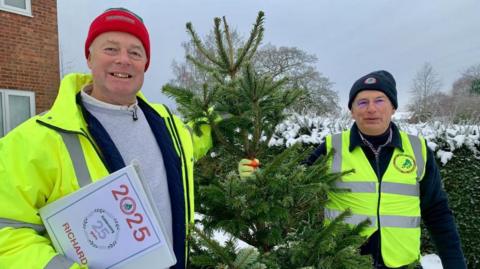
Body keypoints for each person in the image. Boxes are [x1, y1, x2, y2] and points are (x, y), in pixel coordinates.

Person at [0, 8, 212, 269]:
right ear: (89, 57)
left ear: (145, 64)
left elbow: (196, 139)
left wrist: (232, 113)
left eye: (135, 52)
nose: (123, 60)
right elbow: (7, 235)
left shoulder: (166, 122)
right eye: (110, 49)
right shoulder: (34, 140)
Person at [303, 70, 466, 268]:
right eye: (362, 102)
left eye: (379, 100)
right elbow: (292, 188)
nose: (371, 109)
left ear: (393, 108)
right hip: (344, 262)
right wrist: (254, 174)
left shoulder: (418, 150)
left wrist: (455, 263)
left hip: (404, 263)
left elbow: (437, 211)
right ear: (352, 111)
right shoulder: (331, 148)